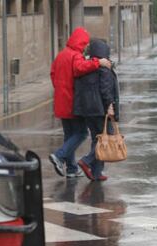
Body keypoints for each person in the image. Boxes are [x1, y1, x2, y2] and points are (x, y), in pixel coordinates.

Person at [50, 27, 111, 178]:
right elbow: (80, 68)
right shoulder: (75, 55)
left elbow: (52, 73)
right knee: (82, 133)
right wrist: (98, 62)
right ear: (80, 42)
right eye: (84, 44)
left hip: (60, 100)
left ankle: (71, 169)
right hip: (72, 101)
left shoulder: (61, 55)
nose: (85, 48)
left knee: (69, 134)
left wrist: (59, 88)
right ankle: (59, 155)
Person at [73, 39, 120, 181]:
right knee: (107, 138)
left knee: (97, 139)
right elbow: (106, 90)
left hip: (88, 110)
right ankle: (86, 161)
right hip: (100, 110)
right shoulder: (104, 68)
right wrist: (110, 106)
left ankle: (96, 172)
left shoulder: (88, 66)